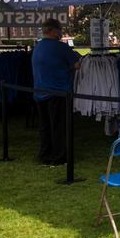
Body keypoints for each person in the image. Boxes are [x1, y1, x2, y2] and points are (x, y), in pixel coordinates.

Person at [32, 19, 81, 165]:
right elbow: (77, 64)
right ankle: (59, 157)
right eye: (60, 30)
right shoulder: (60, 47)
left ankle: (45, 155)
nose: (61, 33)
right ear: (53, 31)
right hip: (58, 93)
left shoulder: (38, 46)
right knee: (59, 126)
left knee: (45, 126)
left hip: (40, 92)